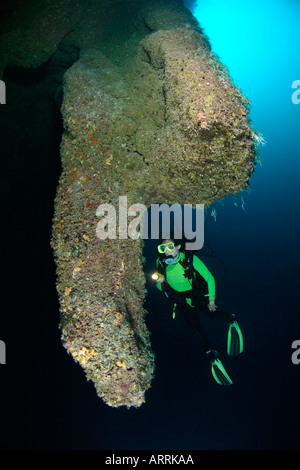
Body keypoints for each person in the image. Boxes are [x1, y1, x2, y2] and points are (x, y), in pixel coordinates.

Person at [152, 236, 243, 385]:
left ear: (178, 247)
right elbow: (160, 288)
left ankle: (231, 319)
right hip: (181, 301)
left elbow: (210, 278)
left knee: (212, 315)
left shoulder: (189, 259)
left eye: (170, 247)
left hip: (197, 296)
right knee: (195, 329)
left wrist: (211, 300)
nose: (167, 251)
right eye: (163, 248)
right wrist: (161, 282)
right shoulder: (160, 263)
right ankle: (211, 355)